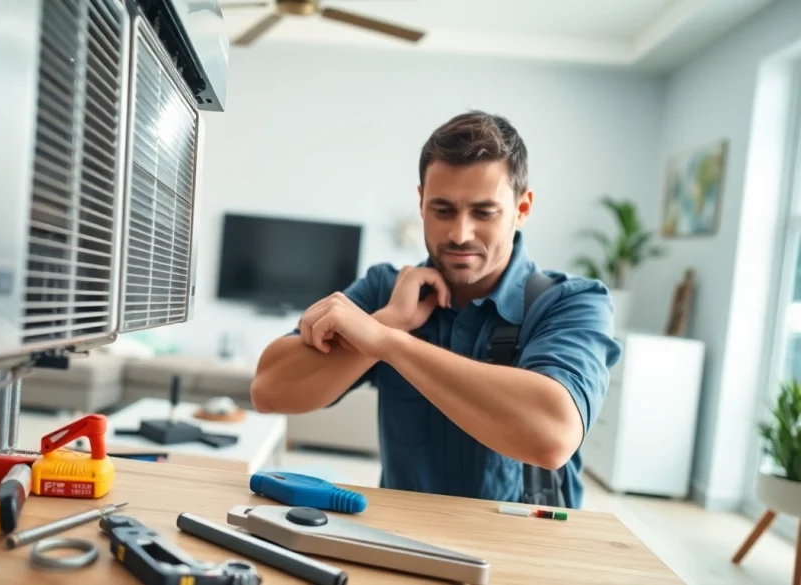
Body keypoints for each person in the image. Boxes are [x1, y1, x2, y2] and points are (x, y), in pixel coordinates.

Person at [249, 110, 623, 509]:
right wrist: (391, 319)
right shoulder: (386, 292)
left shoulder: (572, 303)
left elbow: (553, 436)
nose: (460, 234)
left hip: (521, 542)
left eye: (484, 212)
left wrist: (387, 343)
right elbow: (269, 391)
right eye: (443, 210)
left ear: (523, 208)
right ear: (421, 202)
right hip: (400, 535)